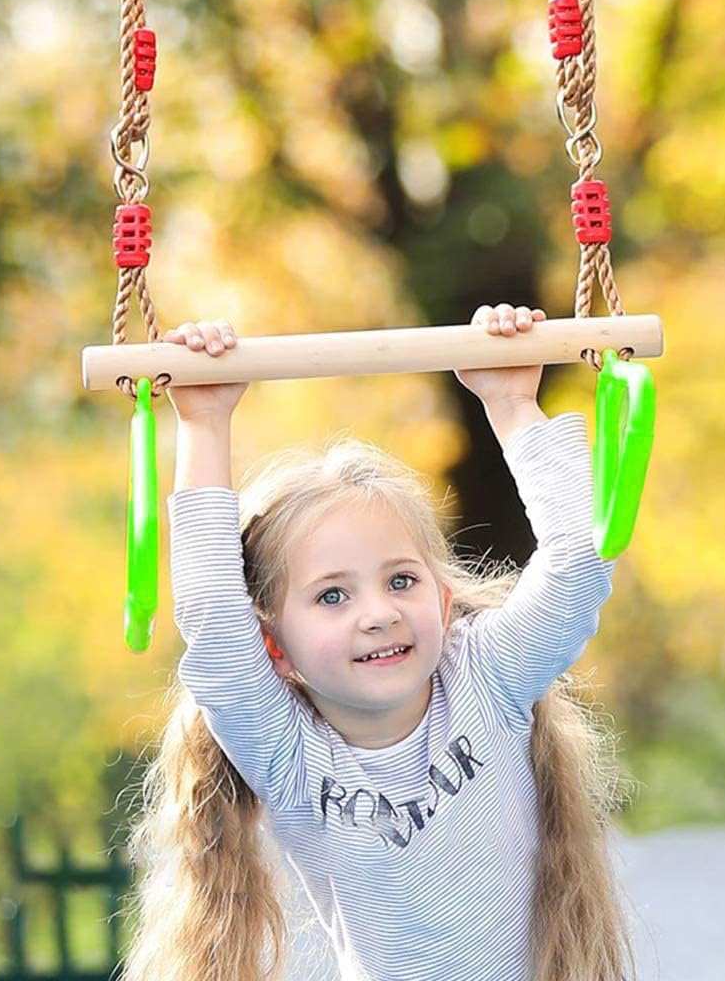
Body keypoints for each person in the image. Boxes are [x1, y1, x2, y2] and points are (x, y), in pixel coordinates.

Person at [119, 304, 638, 981]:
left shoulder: (485, 678)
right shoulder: (287, 752)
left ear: (444, 602)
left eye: (400, 579)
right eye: (332, 595)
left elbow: (579, 563)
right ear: (274, 647)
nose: (378, 613)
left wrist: (512, 401)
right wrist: (204, 421)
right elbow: (215, 624)